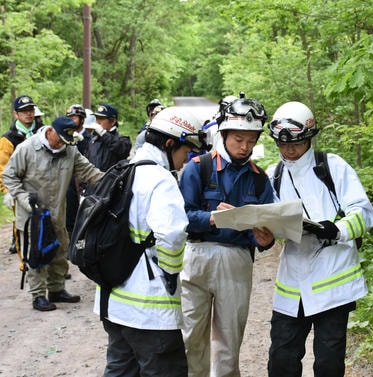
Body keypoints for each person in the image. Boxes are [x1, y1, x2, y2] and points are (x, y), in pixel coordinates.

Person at [265, 101, 373, 377]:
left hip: (333, 281)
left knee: (328, 362)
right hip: (292, 282)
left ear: (309, 138)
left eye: (295, 144)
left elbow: (364, 213)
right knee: (281, 358)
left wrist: (336, 229)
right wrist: (266, 232)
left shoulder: (333, 166)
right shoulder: (273, 174)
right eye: (282, 145)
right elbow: (270, 219)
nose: (289, 150)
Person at [95, 107, 207, 377]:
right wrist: (170, 274)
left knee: (120, 371)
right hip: (149, 311)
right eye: (185, 151)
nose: (186, 160)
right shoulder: (160, 179)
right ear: (170, 144)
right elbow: (172, 235)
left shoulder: (123, 169)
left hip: (114, 303)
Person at [179, 94, 276, 377]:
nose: (245, 147)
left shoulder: (260, 179)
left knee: (229, 343)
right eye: (238, 140)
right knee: (189, 338)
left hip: (237, 262)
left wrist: (266, 240)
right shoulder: (198, 167)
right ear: (223, 134)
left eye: (251, 141)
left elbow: (268, 230)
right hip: (196, 258)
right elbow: (181, 218)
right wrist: (211, 217)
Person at [3, 116, 104, 311]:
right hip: (33, 216)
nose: (62, 145)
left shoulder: (69, 150)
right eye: (60, 140)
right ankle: (38, 295)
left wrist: (113, 179)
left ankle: (57, 289)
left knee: (60, 251)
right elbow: (9, 176)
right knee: (37, 254)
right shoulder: (27, 149)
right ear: (50, 131)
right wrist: (24, 200)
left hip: (57, 213)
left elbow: (89, 172)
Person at [0, 95, 43, 254]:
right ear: (16, 114)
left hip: (43, 186)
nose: (28, 114)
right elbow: (2, 167)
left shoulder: (42, 132)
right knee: (22, 226)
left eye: (30, 110)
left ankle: (46, 262)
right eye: (24, 111)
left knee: (47, 224)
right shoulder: (8, 139)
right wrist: (7, 191)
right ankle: (25, 262)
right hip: (20, 188)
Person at [65, 104, 92, 237]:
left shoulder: (90, 138)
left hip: (83, 180)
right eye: (69, 117)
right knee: (68, 212)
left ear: (82, 119)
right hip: (68, 180)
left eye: (74, 117)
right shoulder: (64, 137)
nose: (71, 120)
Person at [84, 103, 131, 172]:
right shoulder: (93, 140)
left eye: (101, 118)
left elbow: (121, 149)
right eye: (96, 118)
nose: (97, 122)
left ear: (113, 121)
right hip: (92, 180)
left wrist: (103, 133)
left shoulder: (123, 140)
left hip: (111, 181)